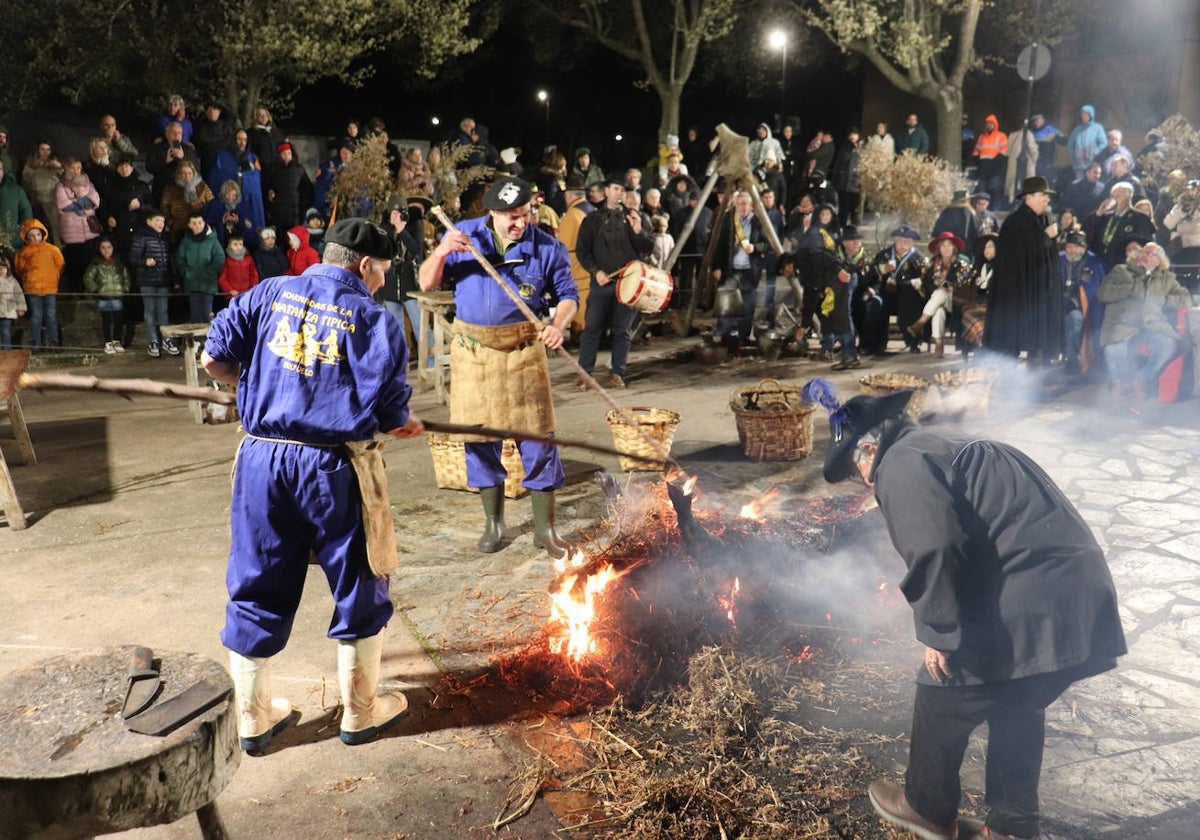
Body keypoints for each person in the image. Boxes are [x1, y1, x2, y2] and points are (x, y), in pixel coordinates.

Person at [819, 388, 1126, 840]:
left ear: (869, 447)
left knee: (943, 687)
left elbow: (936, 545)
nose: (864, 482)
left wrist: (939, 629)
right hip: (1080, 591)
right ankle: (1012, 827)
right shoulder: (948, 442)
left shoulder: (900, 461)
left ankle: (925, 807)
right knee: (1019, 695)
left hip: (1032, 593)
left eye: (856, 470)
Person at [200, 217, 423, 752]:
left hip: (260, 459)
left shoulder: (268, 290)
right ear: (365, 264)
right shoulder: (373, 318)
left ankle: (252, 719)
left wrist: (268, 390)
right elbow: (390, 412)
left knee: (258, 578)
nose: (381, 281)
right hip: (332, 467)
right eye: (383, 271)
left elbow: (213, 360)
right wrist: (402, 422)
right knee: (360, 575)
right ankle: (361, 711)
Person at [417, 176, 579, 560]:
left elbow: (569, 296)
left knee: (539, 442)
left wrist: (558, 324)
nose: (519, 223)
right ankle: (494, 523)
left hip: (524, 351)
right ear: (491, 213)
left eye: (524, 214)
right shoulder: (463, 237)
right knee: (480, 441)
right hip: (474, 354)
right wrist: (441, 252)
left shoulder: (546, 247)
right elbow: (426, 282)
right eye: (511, 216)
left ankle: (545, 529)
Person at [574, 178, 653, 386]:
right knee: (592, 329)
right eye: (616, 189)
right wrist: (595, 271)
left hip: (628, 284)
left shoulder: (636, 218)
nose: (619, 194)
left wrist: (638, 231)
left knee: (622, 330)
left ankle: (618, 372)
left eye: (623, 191)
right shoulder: (592, 219)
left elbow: (648, 247)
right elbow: (582, 251)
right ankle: (585, 374)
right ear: (607, 191)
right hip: (601, 282)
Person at [983, 176, 1062, 366]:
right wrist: (1045, 238)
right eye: (1043, 195)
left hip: (1040, 292)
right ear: (1030, 197)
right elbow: (1018, 257)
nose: (1047, 199)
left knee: (1038, 343)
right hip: (1019, 293)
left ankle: (1035, 374)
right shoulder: (1015, 222)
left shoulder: (1044, 218)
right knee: (1013, 340)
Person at [1097, 242, 1190, 398]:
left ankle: (1141, 379)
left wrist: (1165, 300)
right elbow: (1103, 294)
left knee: (1168, 345)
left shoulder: (1166, 278)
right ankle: (1119, 382)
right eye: (1142, 252)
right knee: (1114, 349)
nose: (1143, 255)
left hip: (1153, 324)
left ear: (1159, 261)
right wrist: (1130, 288)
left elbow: (1185, 299)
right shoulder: (1122, 271)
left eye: (1149, 253)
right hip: (1123, 323)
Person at [711, 190, 768, 348]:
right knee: (726, 303)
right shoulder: (728, 220)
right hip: (731, 269)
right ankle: (724, 336)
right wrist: (716, 266)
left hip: (750, 270)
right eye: (739, 204)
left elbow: (766, 243)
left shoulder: (758, 221)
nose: (742, 207)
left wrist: (755, 248)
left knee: (748, 305)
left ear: (751, 205)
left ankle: (743, 337)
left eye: (745, 204)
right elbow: (719, 245)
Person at [906, 231, 973, 357]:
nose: (946, 248)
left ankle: (920, 323)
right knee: (938, 310)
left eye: (949, 245)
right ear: (939, 248)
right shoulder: (933, 264)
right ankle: (939, 343)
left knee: (941, 293)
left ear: (954, 247)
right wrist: (939, 287)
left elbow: (965, 285)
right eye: (943, 245)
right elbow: (927, 284)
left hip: (956, 301)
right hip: (937, 301)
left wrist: (951, 288)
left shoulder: (961, 264)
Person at [869, 225, 926, 354]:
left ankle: (913, 342)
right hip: (888, 294)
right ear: (895, 240)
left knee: (912, 303)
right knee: (878, 304)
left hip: (908, 297)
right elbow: (873, 274)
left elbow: (924, 278)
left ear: (912, 242)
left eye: (906, 241)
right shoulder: (885, 255)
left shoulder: (918, 258)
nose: (902, 244)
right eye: (899, 240)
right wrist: (883, 269)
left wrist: (915, 282)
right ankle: (879, 343)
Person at [128, 209, 176, 357]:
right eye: (157, 221)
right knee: (149, 311)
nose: (161, 224)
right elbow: (132, 258)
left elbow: (169, 260)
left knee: (163, 311)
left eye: (162, 221)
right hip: (147, 281)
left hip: (162, 281)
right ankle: (153, 341)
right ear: (149, 222)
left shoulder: (165, 238)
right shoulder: (141, 237)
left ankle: (166, 340)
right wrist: (145, 262)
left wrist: (172, 278)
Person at [1059, 229, 1106, 374]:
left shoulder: (1094, 263)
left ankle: (1073, 360)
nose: (1072, 250)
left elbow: (1096, 288)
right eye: (1069, 246)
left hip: (1086, 307)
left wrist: (1078, 291)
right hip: (1058, 302)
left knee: (1074, 319)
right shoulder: (1058, 259)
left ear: (1084, 248)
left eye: (1076, 246)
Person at [14, 219, 64, 351]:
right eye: (31, 235)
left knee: (51, 315)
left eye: (37, 234)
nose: (35, 237)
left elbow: (60, 265)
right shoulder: (23, 253)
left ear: (43, 234)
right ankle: (35, 342)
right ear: (26, 237)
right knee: (36, 316)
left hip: (50, 287)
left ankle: (54, 341)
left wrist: (54, 277)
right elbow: (19, 268)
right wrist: (28, 277)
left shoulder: (52, 249)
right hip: (32, 288)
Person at [82, 237, 131, 354]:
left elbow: (126, 277)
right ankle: (108, 342)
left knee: (119, 320)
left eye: (109, 247)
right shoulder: (96, 263)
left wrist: (125, 289)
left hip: (117, 295)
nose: (106, 250)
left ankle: (117, 340)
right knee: (107, 320)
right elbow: (88, 278)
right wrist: (96, 290)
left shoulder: (119, 263)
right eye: (103, 248)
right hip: (103, 296)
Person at [174, 212, 225, 323]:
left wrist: (210, 271)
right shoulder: (185, 241)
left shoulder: (212, 239)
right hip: (192, 283)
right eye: (194, 223)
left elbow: (219, 258)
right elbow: (179, 259)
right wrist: (186, 272)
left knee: (207, 313)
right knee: (195, 314)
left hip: (208, 283)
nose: (198, 225)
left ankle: (209, 339)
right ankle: (197, 339)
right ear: (189, 225)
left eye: (200, 223)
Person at [265, 142, 314, 232]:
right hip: (278, 212)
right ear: (280, 155)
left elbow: (307, 189)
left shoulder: (299, 170)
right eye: (284, 154)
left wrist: (303, 206)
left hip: (295, 212)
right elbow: (267, 186)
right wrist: (269, 191)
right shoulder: (273, 170)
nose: (287, 156)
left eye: (289, 153)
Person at [932, 189, 979, 256]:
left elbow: (937, 231)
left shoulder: (946, 211)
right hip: (965, 250)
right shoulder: (968, 212)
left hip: (946, 247)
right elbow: (975, 232)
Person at [0, 159, 33, 252]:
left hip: (12, 243)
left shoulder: (16, 190)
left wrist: (19, 232)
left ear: (3, 171)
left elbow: (26, 212)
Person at [217, 232, 260, 302]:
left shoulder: (248, 259)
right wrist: (229, 290)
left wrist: (252, 289)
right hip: (231, 296)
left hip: (247, 294)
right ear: (229, 245)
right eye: (235, 244)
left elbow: (254, 275)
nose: (238, 247)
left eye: (240, 244)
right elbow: (222, 278)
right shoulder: (226, 260)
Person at [1067, 105, 1106, 175]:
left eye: (1086, 114)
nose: (1084, 116)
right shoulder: (1077, 130)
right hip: (1079, 166)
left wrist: (1095, 152)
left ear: (1091, 115)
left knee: (1092, 184)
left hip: (1093, 165)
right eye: (1082, 114)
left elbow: (1103, 143)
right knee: (1080, 184)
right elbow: (1070, 144)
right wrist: (1074, 155)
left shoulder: (1098, 128)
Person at [0, 255, 26, 350]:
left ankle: (7, 350)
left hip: (8, 311)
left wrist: (21, 307)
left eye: (3, 268)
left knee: (5, 330)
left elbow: (19, 295)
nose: (1, 270)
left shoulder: (13, 282)